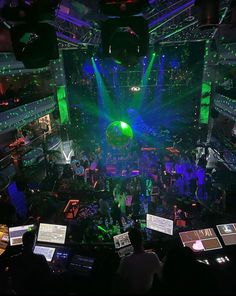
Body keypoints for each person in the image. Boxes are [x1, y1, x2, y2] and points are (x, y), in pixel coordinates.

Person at [115, 227, 162, 294]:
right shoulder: (153, 256)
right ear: (142, 239)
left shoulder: (125, 260)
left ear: (130, 242)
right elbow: (162, 275)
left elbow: (118, 280)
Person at [7, 230, 52, 295]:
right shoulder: (40, 259)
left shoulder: (13, 259)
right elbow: (49, 277)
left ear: (22, 241)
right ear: (34, 243)